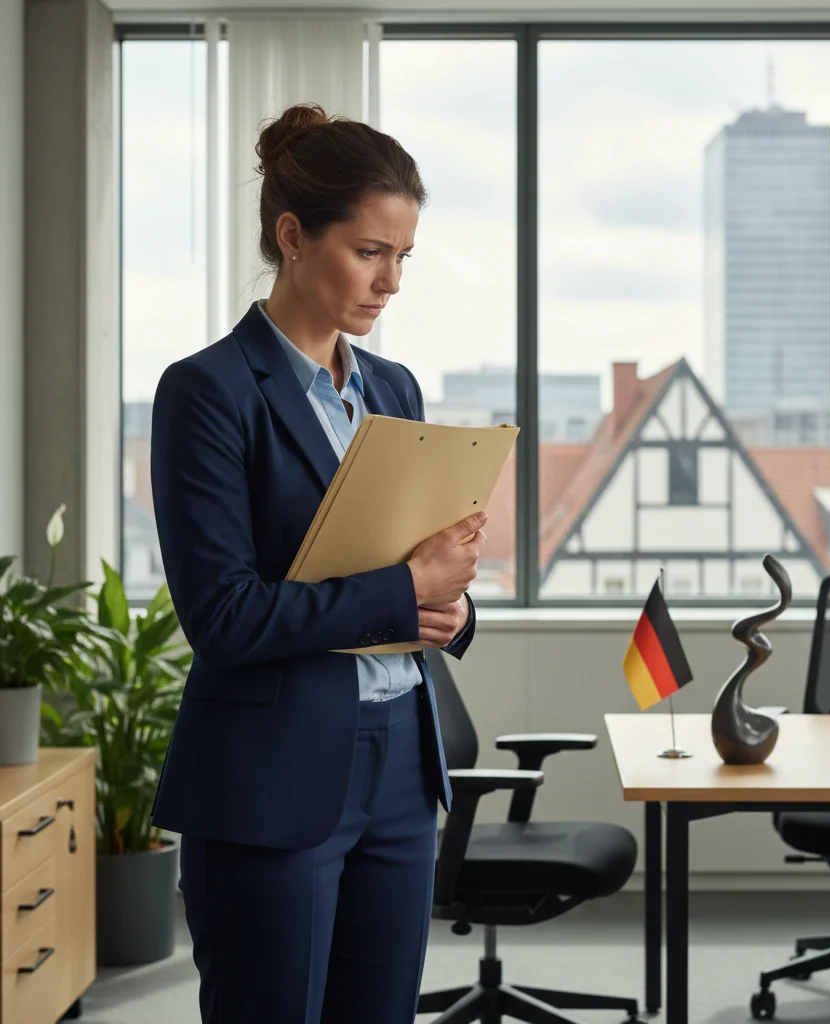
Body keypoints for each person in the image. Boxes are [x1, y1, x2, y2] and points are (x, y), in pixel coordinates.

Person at [148, 102, 487, 1024]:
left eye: (404, 257)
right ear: (292, 236)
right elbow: (224, 617)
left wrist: (450, 610)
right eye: (370, 252)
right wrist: (402, 590)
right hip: (272, 772)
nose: (392, 282)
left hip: (399, 772)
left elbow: (412, 569)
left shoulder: (392, 387)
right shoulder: (207, 393)